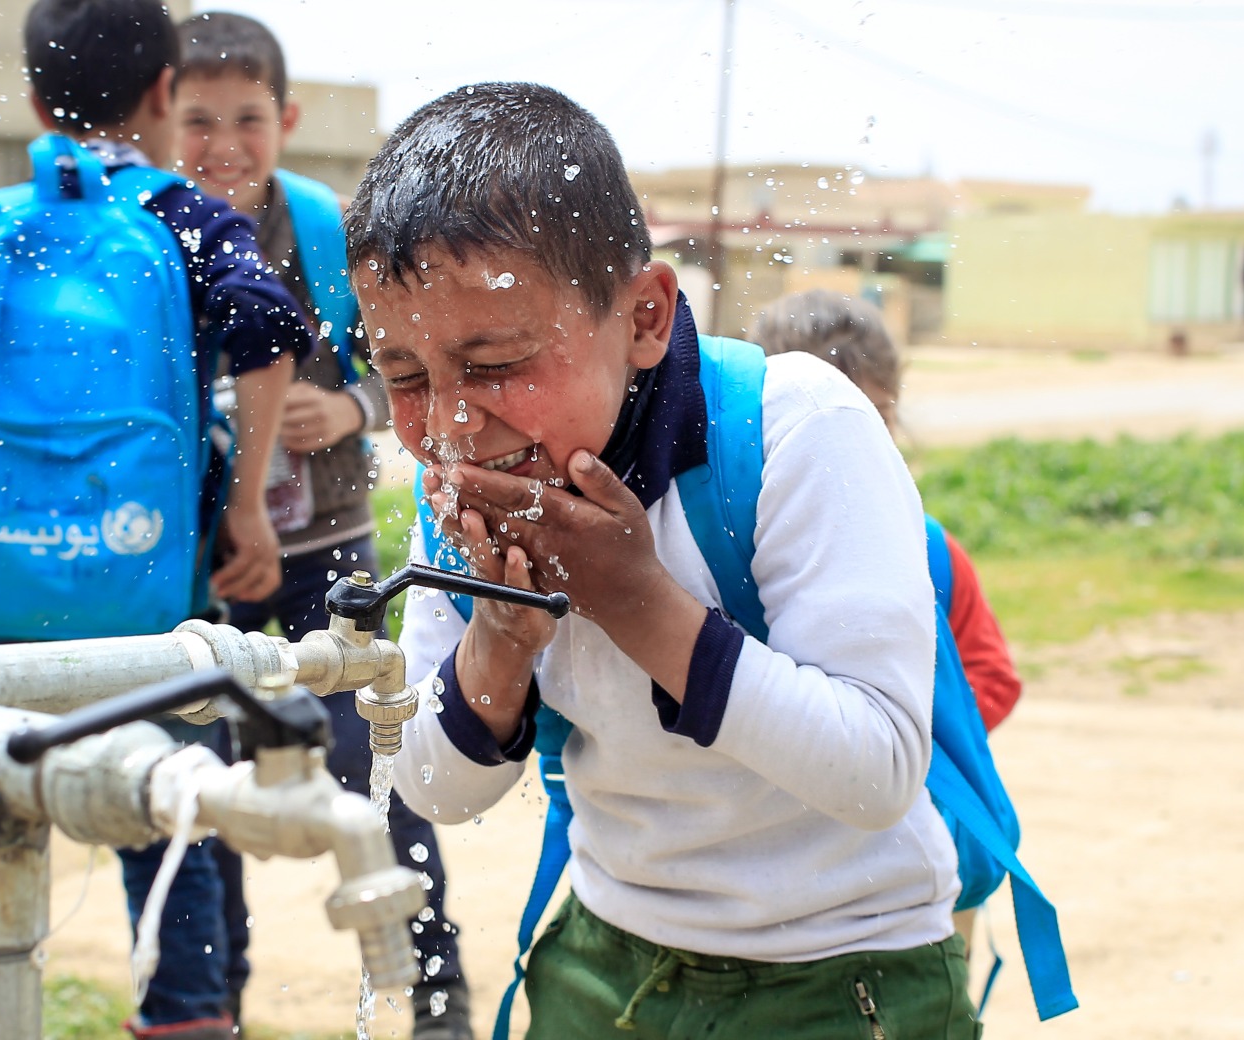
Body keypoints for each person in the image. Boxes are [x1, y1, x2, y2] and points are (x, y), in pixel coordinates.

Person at [364, 83, 979, 1039]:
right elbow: (433, 789)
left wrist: (635, 600)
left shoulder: (794, 431)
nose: (447, 422)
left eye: (493, 363)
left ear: (647, 316)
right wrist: (499, 645)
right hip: (607, 956)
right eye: (402, 375)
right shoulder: (459, 490)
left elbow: (879, 772)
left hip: (849, 970)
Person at [0, 2, 311, 1037]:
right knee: (170, 813)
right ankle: (187, 1013)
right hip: (147, 606)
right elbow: (270, 333)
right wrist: (241, 505)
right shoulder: (186, 221)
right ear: (166, 91)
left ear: (34, 100)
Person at [169, 12, 474, 1039]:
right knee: (198, 797)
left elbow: (413, 367)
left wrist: (353, 409)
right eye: (198, 118)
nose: (223, 143)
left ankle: (435, 992)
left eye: (246, 118)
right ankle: (213, 1005)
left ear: (286, 118)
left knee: (378, 771)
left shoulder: (326, 234)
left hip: (325, 564)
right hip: (201, 580)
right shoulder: (151, 237)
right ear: (163, 116)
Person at [750, 288, 1022, 731]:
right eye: (818, 422)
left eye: (875, 415)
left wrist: (893, 739)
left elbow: (992, 676)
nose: (854, 442)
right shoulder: (725, 546)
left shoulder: (929, 550)